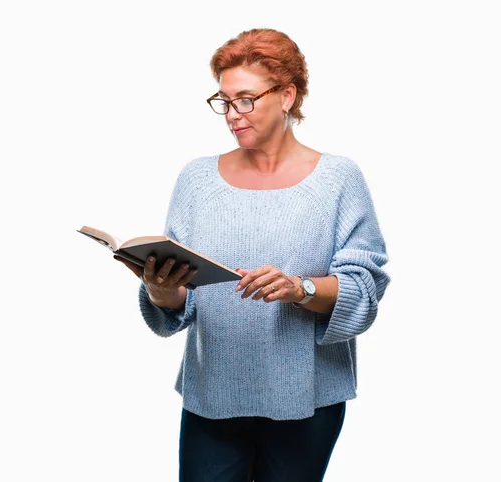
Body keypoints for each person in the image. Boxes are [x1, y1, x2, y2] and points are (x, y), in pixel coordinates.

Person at [114, 28, 390, 482]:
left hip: (307, 397)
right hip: (214, 393)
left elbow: (364, 290)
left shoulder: (338, 179)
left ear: (286, 95)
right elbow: (184, 300)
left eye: (245, 99)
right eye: (223, 101)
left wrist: (298, 289)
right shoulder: (197, 180)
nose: (230, 114)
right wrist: (163, 293)